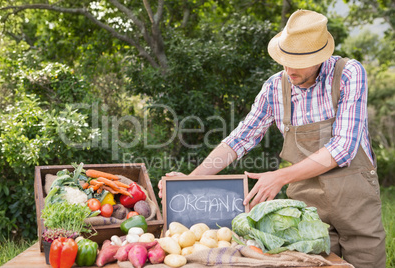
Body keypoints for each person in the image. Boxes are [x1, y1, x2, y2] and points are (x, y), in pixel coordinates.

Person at [159, 10, 386, 268]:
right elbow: (240, 139)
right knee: (312, 264)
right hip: (307, 211)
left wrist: (279, 177)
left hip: (356, 200)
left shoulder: (349, 74)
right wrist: (191, 181)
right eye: (284, 60)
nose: (289, 69)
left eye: (298, 62)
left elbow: (343, 148)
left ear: (320, 57)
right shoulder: (275, 87)